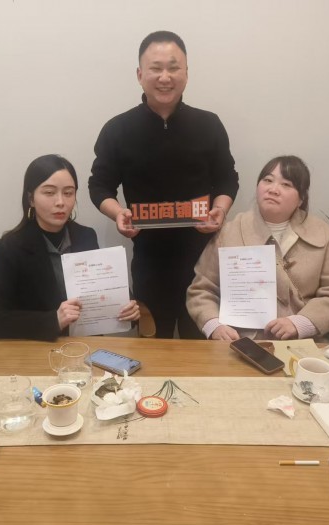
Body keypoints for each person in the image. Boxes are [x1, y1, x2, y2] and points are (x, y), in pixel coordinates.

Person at [88, 31, 239, 339]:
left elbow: (228, 178)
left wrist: (220, 210)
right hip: (150, 264)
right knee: (153, 346)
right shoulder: (118, 129)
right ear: (140, 74)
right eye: (156, 68)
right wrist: (118, 213)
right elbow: (99, 185)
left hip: (204, 263)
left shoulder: (209, 124)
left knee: (202, 347)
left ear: (186, 73)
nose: (165, 77)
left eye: (173, 67)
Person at [187, 156, 329, 340]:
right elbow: (202, 290)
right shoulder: (229, 232)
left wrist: (300, 323)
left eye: (286, 184)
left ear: (301, 198)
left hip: (303, 345)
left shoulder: (323, 235)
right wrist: (214, 325)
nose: (273, 189)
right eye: (268, 180)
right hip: (239, 342)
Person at [0, 154, 140, 340]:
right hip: (36, 350)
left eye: (68, 193)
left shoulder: (86, 236)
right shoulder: (9, 248)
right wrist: (53, 320)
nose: (60, 202)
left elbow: (105, 289)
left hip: (85, 348)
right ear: (31, 198)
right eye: (49, 192)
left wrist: (128, 308)